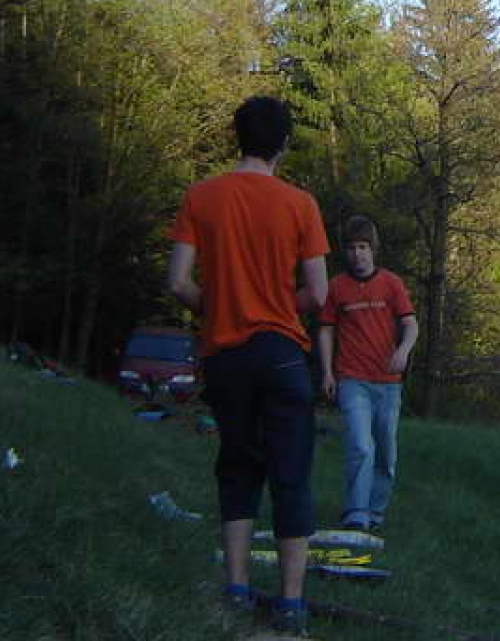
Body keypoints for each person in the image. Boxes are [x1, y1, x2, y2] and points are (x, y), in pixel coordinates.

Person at [167, 96, 329, 637]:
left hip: (226, 355)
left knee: (237, 466)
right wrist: (278, 306)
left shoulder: (201, 196)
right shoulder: (300, 204)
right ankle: (290, 602)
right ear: (283, 143)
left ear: (238, 137)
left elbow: (177, 282)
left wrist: (218, 307)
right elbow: (318, 293)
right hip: (281, 353)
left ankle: (235, 589)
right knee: (291, 473)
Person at [317, 214, 419, 532]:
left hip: (387, 382)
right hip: (352, 379)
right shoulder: (336, 287)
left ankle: (376, 512)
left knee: (386, 451)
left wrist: (402, 351)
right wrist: (327, 372)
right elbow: (325, 330)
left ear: (372, 249)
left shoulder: (391, 283)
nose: (357, 254)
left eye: (362, 247)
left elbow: (410, 324)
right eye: (351, 248)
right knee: (360, 446)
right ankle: (356, 513)